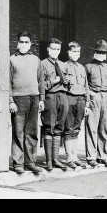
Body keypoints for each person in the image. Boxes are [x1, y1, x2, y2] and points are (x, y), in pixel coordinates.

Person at [9, 30, 44, 174]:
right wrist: (10, 100)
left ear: (30, 44)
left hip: (34, 98)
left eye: (26, 42)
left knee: (32, 131)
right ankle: (18, 162)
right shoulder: (11, 60)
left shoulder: (36, 60)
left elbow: (40, 80)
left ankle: (30, 161)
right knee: (18, 131)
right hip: (18, 99)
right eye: (21, 42)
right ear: (17, 43)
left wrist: (41, 98)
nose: (23, 45)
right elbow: (7, 82)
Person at [85, 40, 107, 167]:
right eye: (98, 52)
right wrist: (91, 94)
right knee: (92, 128)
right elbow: (85, 85)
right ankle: (91, 156)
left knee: (105, 128)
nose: (101, 54)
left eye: (103, 53)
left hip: (106, 99)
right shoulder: (88, 67)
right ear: (94, 52)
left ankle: (103, 156)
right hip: (94, 98)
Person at [41, 38, 69, 171]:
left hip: (63, 96)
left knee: (59, 127)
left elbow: (68, 83)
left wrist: (67, 81)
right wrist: (53, 81)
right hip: (50, 96)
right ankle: (48, 161)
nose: (55, 52)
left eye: (58, 49)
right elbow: (41, 85)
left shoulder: (63, 65)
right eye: (53, 49)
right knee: (49, 126)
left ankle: (55, 158)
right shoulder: (42, 64)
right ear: (48, 49)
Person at [63, 41, 89, 169]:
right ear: (68, 52)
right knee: (68, 128)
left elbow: (86, 86)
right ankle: (69, 158)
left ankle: (75, 156)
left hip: (81, 100)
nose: (76, 54)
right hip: (69, 98)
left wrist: (87, 103)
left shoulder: (81, 68)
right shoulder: (63, 66)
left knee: (77, 128)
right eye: (73, 51)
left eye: (78, 52)